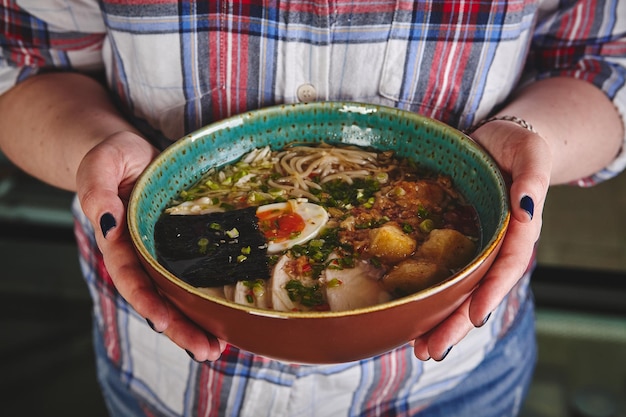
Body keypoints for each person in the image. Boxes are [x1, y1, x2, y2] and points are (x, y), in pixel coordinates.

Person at [1, 1, 624, 416]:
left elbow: (603, 62)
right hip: (170, 382)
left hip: (451, 382)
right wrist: (96, 149)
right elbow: (22, 67)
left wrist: (528, 135)